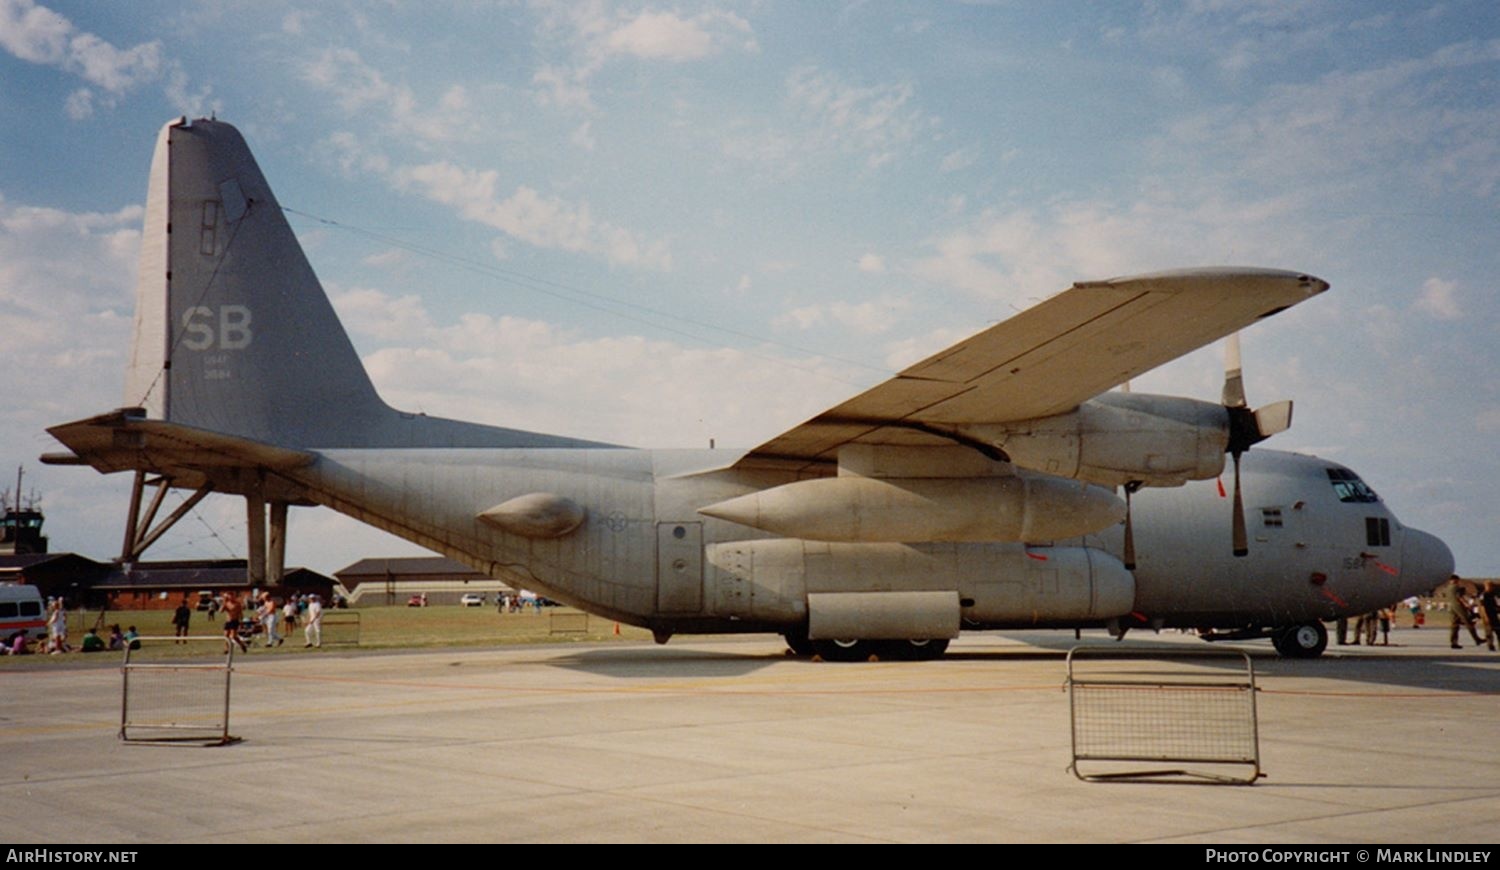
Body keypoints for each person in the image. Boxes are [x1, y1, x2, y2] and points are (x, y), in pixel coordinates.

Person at [1438, 576, 1483, 649]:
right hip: (1458, 605)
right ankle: (1477, 639)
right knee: (1468, 622)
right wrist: (1466, 604)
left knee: (1454, 624)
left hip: (1452, 606)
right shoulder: (1456, 587)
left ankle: (1453, 642)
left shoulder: (1447, 588)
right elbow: (1459, 597)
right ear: (1455, 580)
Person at [1480, 581, 1500, 653]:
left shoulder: (1492, 595)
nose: (1491, 588)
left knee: (1498, 630)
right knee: (1489, 632)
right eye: (1490, 586)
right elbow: (1482, 607)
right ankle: (1490, 646)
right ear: (1486, 586)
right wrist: (1485, 617)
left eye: (1492, 586)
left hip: (1494, 615)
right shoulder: (1483, 595)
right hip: (1487, 615)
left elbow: (1495, 605)